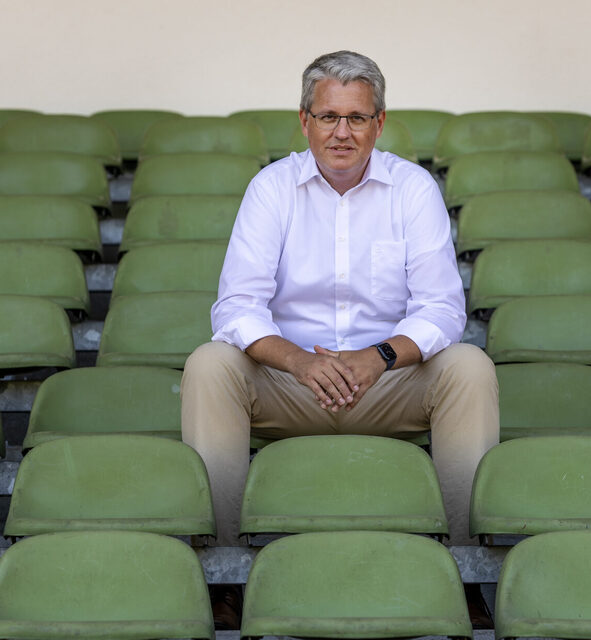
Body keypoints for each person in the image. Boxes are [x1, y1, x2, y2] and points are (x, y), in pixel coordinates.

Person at [182, 50, 500, 549]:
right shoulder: (272, 189)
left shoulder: (412, 189)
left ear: (380, 124)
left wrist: (380, 357)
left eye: (357, 117)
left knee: (469, 366)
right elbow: (236, 307)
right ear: (305, 122)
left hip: (387, 384)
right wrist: (298, 361)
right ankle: (221, 571)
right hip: (292, 385)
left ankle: (462, 566)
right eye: (329, 116)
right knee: (210, 364)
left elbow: (442, 309)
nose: (342, 132)